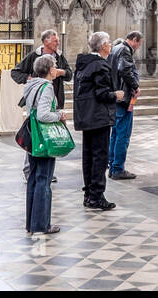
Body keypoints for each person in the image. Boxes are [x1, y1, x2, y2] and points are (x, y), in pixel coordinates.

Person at [73, 31, 125, 210]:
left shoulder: (84, 64)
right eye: (109, 43)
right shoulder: (100, 66)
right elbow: (102, 94)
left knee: (88, 156)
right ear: (103, 46)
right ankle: (96, 196)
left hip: (86, 117)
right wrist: (116, 95)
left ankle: (89, 194)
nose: (110, 45)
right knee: (100, 157)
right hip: (98, 117)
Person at [11, 30, 71, 181]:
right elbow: (15, 72)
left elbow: (70, 74)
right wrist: (29, 78)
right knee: (35, 133)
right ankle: (29, 169)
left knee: (50, 134)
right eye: (55, 40)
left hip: (55, 100)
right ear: (46, 42)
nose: (58, 43)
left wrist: (61, 72)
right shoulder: (34, 56)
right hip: (37, 100)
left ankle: (46, 170)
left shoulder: (59, 56)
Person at [22, 54, 66, 236]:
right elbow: (43, 115)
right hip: (44, 137)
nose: (56, 68)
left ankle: (31, 223)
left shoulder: (31, 84)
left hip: (32, 136)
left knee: (33, 177)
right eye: (55, 66)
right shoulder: (47, 87)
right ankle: (42, 224)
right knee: (43, 179)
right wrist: (60, 115)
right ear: (50, 70)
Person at [107, 31, 143, 181]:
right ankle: (117, 168)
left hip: (116, 97)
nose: (138, 47)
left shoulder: (115, 48)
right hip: (123, 98)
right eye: (139, 44)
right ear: (134, 40)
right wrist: (135, 86)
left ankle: (112, 164)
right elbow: (125, 70)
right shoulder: (125, 50)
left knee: (115, 133)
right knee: (123, 134)